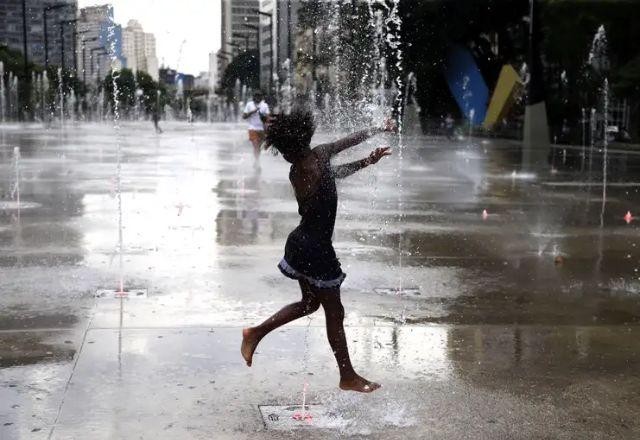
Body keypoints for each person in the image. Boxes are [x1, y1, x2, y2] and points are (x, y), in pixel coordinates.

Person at [241, 111, 395, 393]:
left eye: (284, 150)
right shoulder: (320, 157)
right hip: (316, 248)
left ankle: (255, 333)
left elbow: (334, 175)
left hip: (301, 243)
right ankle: (347, 376)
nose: (284, 156)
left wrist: (367, 161)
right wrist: (377, 128)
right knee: (334, 312)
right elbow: (349, 142)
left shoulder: (298, 169)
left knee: (311, 304)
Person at [242, 92, 270, 169]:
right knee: (256, 145)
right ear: (253, 97)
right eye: (256, 96)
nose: (257, 98)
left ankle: (256, 160)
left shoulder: (264, 105)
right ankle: (257, 162)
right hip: (252, 128)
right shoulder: (249, 104)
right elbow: (244, 116)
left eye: (259, 96)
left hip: (261, 130)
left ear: (261, 97)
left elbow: (268, 118)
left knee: (258, 147)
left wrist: (264, 117)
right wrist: (252, 112)